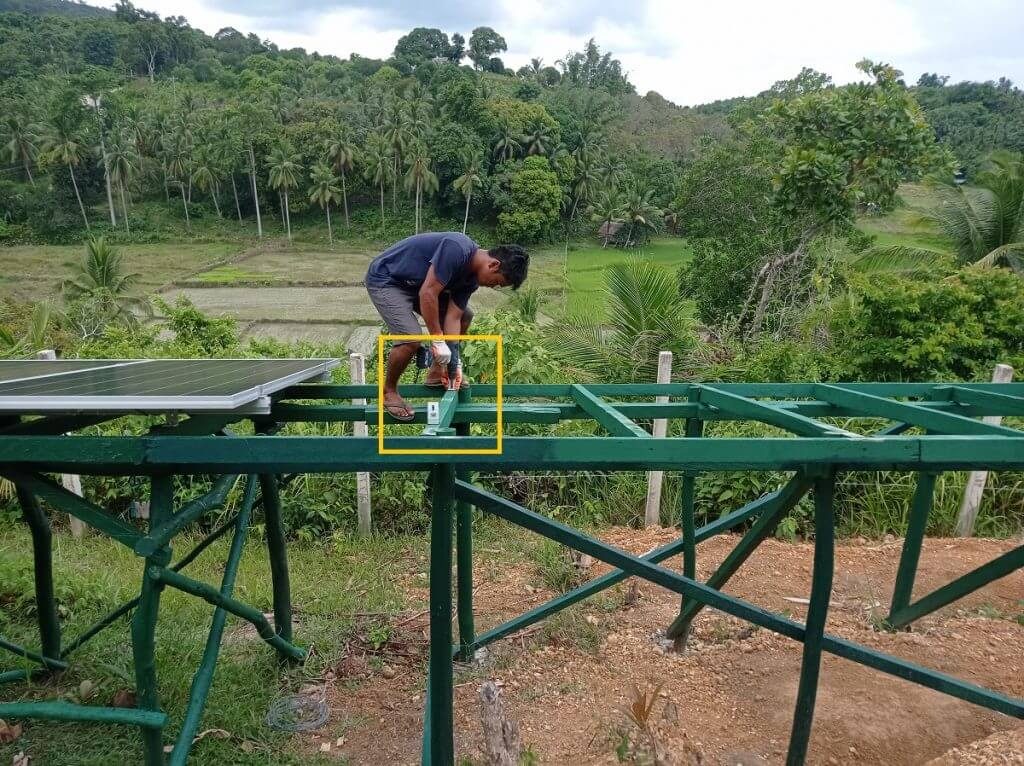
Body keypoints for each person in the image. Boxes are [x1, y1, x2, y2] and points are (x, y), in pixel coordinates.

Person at [365, 231, 529, 421]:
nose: (494, 287)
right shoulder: (456, 248)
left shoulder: (471, 281)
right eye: (498, 282)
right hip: (388, 280)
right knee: (410, 338)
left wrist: (453, 364)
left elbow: (453, 317)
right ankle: (389, 391)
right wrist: (437, 339)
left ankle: (437, 373)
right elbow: (428, 294)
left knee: (466, 315)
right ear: (494, 265)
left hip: (418, 285)